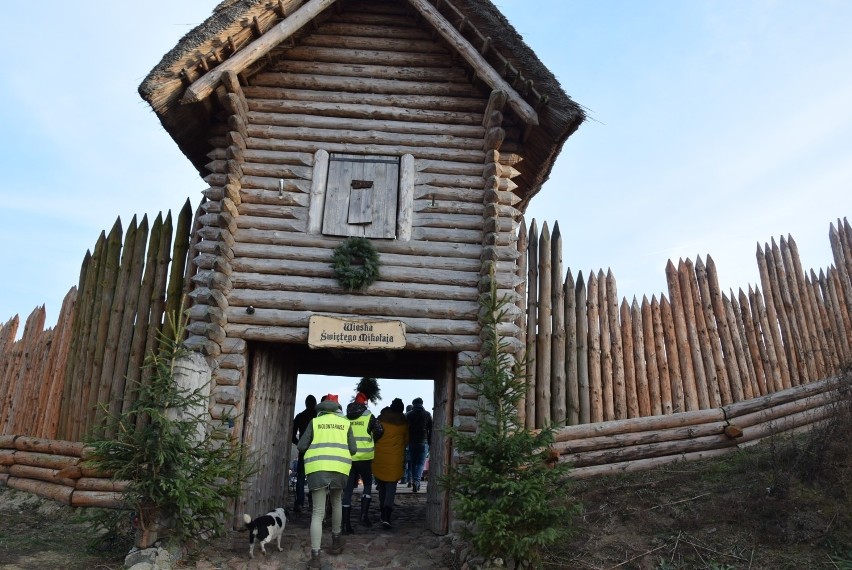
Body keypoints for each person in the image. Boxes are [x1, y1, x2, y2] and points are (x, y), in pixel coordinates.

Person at [297, 394, 357, 569]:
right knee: (337, 502)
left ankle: (315, 558)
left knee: (317, 512)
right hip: (339, 468)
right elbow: (353, 449)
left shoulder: (315, 422)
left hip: (318, 468)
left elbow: (301, 446)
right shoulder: (346, 423)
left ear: (321, 409)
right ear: (338, 409)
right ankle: (336, 542)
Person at [342, 377, 383, 533]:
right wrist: (372, 440)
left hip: (348, 457)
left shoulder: (346, 418)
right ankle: (364, 516)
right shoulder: (368, 416)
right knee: (367, 484)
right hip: (365, 457)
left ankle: (346, 525)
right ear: (365, 403)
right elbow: (380, 430)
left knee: (348, 490)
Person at [372, 398, 409, 529]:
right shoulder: (403, 423)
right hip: (394, 458)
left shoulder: (380, 419)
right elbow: (406, 440)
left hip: (379, 456)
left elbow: (373, 434)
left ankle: (382, 511)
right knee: (391, 487)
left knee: (381, 484)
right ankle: (387, 516)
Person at [292, 394, 317, 512]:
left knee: (301, 477)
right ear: (315, 404)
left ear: (306, 404)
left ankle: (300, 503)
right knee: (315, 476)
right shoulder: (317, 417)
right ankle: (313, 500)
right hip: (316, 451)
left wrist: (300, 444)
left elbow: (292, 436)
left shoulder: (300, 416)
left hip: (304, 450)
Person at [406, 397, 432, 493]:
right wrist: (430, 442)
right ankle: (417, 481)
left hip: (412, 442)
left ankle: (413, 480)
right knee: (420, 463)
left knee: (413, 463)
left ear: (413, 404)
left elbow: (405, 428)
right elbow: (431, 430)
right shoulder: (427, 414)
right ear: (422, 403)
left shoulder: (409, 415)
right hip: (423, 442)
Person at [401, 404, 414, 486]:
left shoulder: (404, 417)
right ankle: (410, 479)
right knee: (411, 464)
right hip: (412, 442)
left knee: (404, 463)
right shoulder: (414, 417)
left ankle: (404, 479)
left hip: (405, 443)